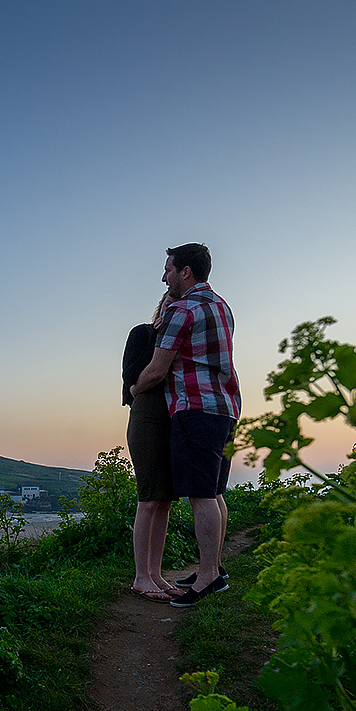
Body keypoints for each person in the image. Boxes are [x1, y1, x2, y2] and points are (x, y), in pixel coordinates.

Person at [130, 243, 239, 607]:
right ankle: (215, 567)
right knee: (215, 490)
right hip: (226, 406)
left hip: (195, 406)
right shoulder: (221, 306)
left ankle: (208, 576)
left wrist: (134, 387)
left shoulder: (183, 309)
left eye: (168, 269)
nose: (165, 277)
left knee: (201, 494)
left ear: (185, 271)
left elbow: (158, 369)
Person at [124, 291, 178, 601]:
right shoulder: (143, 333)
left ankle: (155, 573)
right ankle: (140, 576)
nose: (173, 311)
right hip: (146, 416)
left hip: (174, 418)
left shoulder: (182, 343)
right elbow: (131, 379)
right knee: (148, 497)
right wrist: (160, 340)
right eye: (168, 305)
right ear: (161, 307)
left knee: (166, 499)